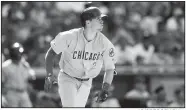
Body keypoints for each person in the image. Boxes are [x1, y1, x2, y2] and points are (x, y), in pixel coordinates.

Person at [44, 6, 117, 107]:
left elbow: (110, 68)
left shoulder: (105, 43)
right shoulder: (68, 36)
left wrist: (105, 88)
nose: (102, 21)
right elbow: (51, 53)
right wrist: (49, 75)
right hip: (68, 78)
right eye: (98, 19)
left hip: (87, 82)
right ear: (88, 22)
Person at [2, 42, 36, 107]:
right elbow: (2, 82)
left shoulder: (24, 64)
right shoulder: (5, 66)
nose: (19, 55)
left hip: (23, 92)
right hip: (11, 93)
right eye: (17, 53)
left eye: (20, 53)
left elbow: (32, 77)